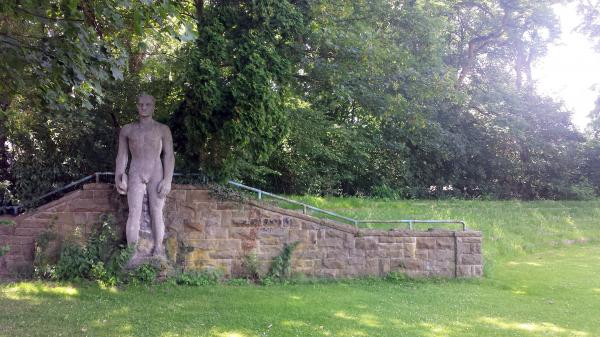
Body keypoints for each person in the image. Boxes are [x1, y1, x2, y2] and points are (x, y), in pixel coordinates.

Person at [115, 93, 174, 257]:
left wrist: (168, 180)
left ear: (153, 107)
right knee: (134, 213)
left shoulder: (162, 129)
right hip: (136, 171)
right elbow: (122, 156)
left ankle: (158, 250)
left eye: (148, 104)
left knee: (157, 212)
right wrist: (119, 176)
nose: (144, 107)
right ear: (137, 106)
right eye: (141, 104)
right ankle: (131, 253)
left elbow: (169, 155)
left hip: (156, 171)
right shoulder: (128, 130)